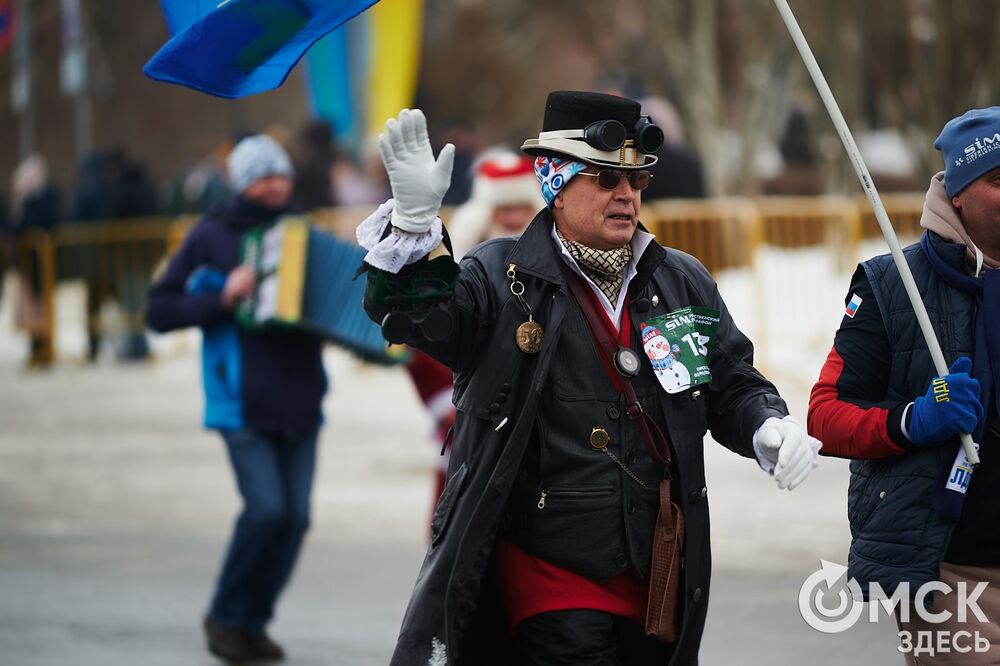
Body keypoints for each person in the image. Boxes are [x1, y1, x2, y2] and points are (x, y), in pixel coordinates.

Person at [357, 91, 821, 665]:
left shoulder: (679, 281)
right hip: (547, 576)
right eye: (604, 179)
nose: (626, 195)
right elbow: (420, 320)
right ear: (553, 180)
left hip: (656, 571)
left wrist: (765, 425)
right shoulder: (499, 278)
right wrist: (413, 226)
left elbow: (729, 382)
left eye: (635, 180)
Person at [809, 107, 1000, 664]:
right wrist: (912, 420)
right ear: (958, 194)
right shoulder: (892, 283)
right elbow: (825, 416)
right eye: (999, 180)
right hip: (950, 573)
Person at [147, 134, 327, 663]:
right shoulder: (210, 234)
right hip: (240, 398)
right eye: (262, 176)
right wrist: (222, 295)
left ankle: (251, 622)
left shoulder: (305, 232)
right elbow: (159, 311)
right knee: (266, 511)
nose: (275, 185)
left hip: (300, 397)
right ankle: (226, 614)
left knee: (294, 520)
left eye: (280, 175)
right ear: (243, 182)